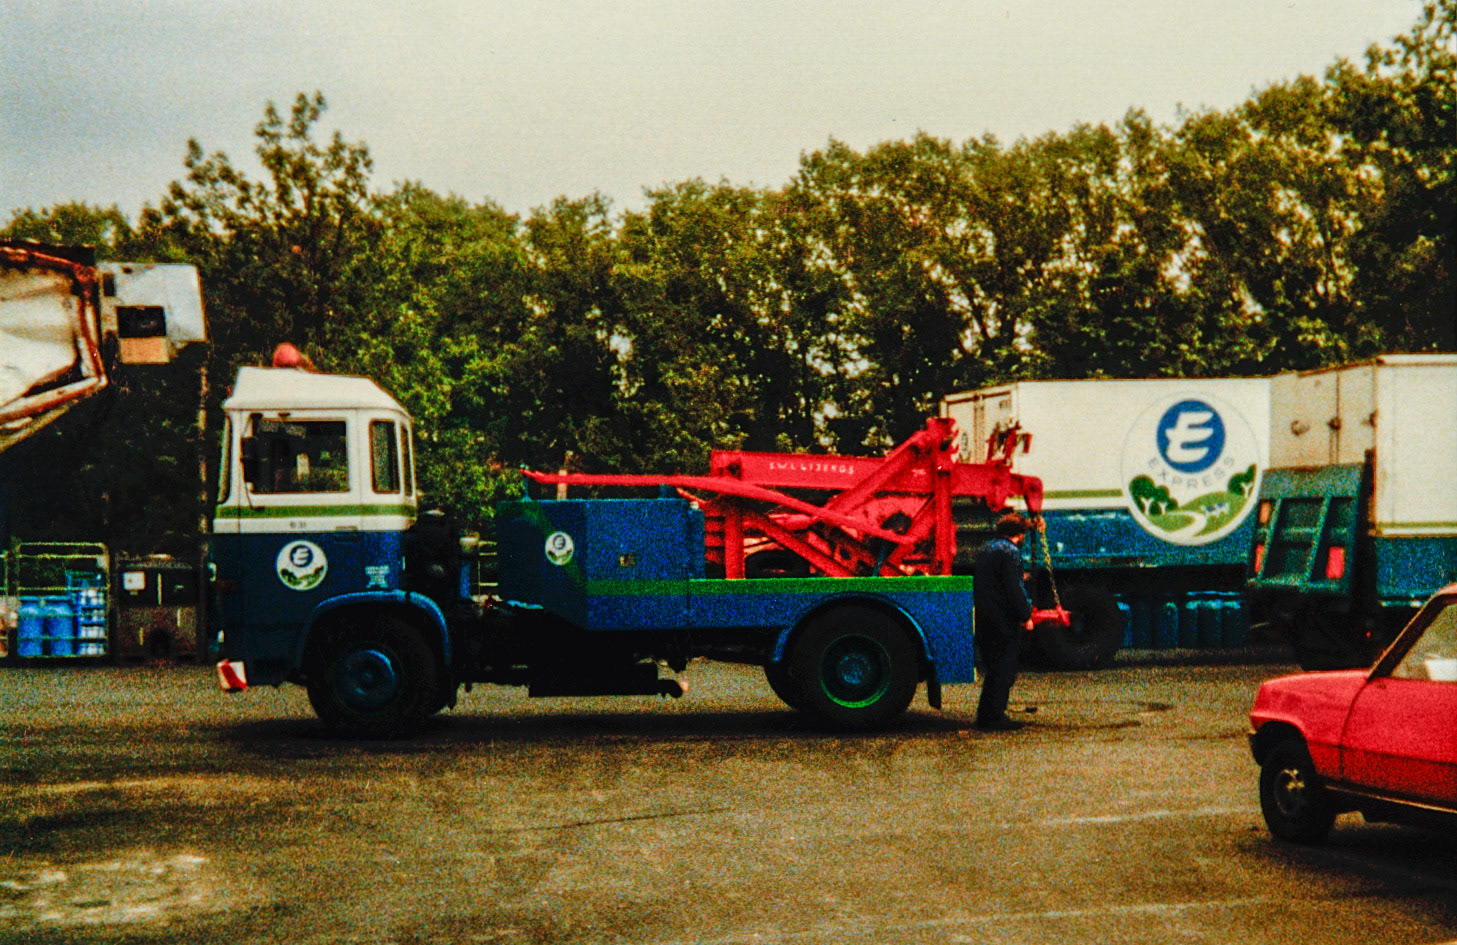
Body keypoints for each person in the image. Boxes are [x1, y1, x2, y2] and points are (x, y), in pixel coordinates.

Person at [973, 512, 1037, 731]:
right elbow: (1014, 589)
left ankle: (986, 715)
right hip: (1003, 620)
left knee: (993, 669)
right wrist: (1026, 614)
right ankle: (994, 718)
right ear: (1019, 534)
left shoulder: (986, 549)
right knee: (1003, 669)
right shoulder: (1010, 552)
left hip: (984, 617)